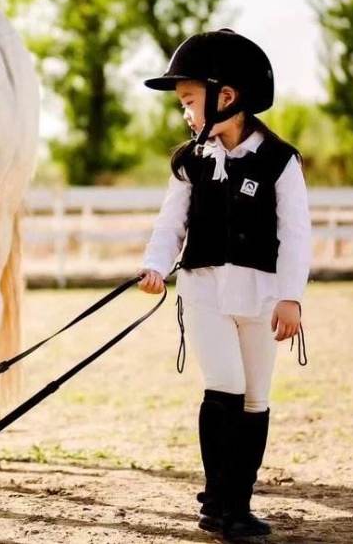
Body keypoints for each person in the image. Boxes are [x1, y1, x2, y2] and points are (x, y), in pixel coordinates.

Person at [137, 29, 311, 540]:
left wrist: (291, 297)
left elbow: (295, 233)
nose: (185, 113)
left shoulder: (280, 160)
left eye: (189, 101)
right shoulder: (189, 161)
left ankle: (237, 501)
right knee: (225, 387)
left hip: (261, 296)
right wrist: (155, 265)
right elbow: (171, 223)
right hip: (204, 290)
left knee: (256, 398)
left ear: (226, 97)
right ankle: (217, 504)